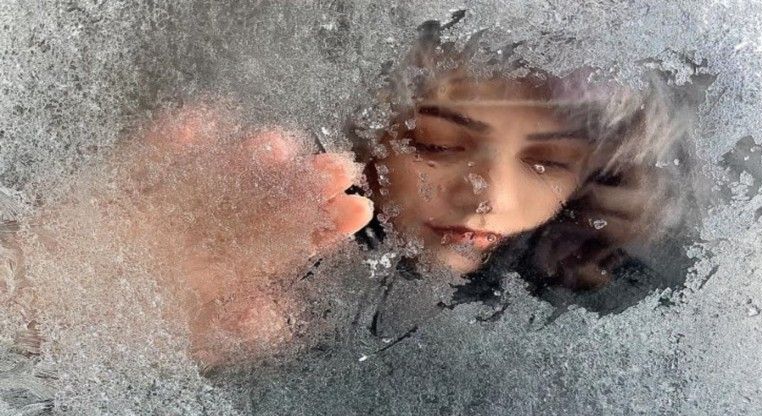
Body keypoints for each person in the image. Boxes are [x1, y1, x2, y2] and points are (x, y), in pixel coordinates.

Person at [4, 28, 690, 369]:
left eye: (545, 161)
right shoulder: (288, 257)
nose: (487, 196)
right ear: (367, 135)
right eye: (436, 145)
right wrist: (42, 290)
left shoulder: (588, 272)